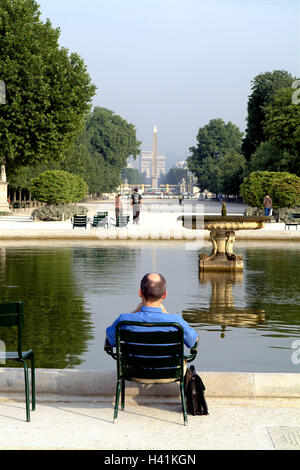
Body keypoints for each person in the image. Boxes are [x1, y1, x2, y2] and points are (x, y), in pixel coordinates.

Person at [105, 273, 198, 350]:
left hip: (132, 371)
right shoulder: (176, 322)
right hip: (168, 371)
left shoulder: (123, 320)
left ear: (140, 293)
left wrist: (135, 312)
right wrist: (166, 314)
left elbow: (110, 340)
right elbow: (193, 341)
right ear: (165, 295)